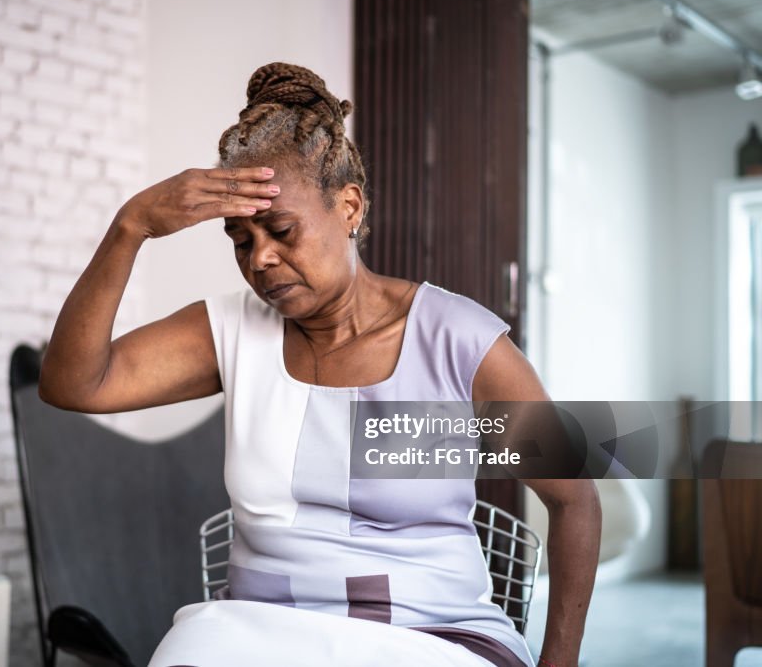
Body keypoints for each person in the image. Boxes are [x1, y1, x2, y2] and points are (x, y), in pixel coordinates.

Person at [40, 62, 601, 667]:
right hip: (258, 633)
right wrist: (132, 226)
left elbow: (574, 500)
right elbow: (73, 384)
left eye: (281, 230)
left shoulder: (455, 344)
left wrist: (559, 662)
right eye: (240, 239)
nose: (261, 260)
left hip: (430, 637)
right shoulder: (232, 332)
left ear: (350, 207)